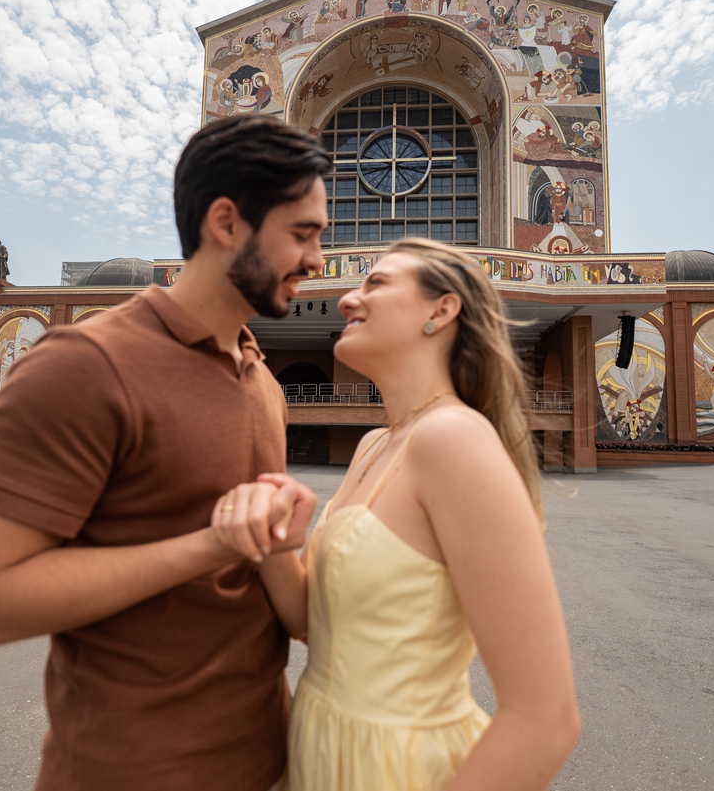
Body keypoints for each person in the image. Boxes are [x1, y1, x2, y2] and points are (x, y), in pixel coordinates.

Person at [0, 115, 331, 791]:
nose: (319, 259)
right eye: (303, 233)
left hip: (272, 759)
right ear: (227, 223)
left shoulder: (263, 380)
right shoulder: (85, 365)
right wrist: (210, 545)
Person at [216, 239, 581, 789]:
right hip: (320, 752)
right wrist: (276, 542)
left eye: (376, 283)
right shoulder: (373, 445)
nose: (346, 300)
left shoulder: (455, 440)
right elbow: (317, 626)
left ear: (441, 310)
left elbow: (545, 720)